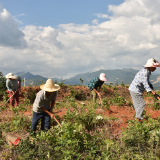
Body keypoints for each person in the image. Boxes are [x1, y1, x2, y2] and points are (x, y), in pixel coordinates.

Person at [129, 58, 160, 122]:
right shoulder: (145, 72)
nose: (155, 68)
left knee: (138, 105)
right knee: (141, 104)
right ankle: (137, 119)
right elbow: (145, 84)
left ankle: (137, 118)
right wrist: (154, 94)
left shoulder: (147, 71)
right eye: (154, 67)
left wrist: (150, 85)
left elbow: (147, 81)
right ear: (150, 66)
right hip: (135, 90)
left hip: (135, 89)